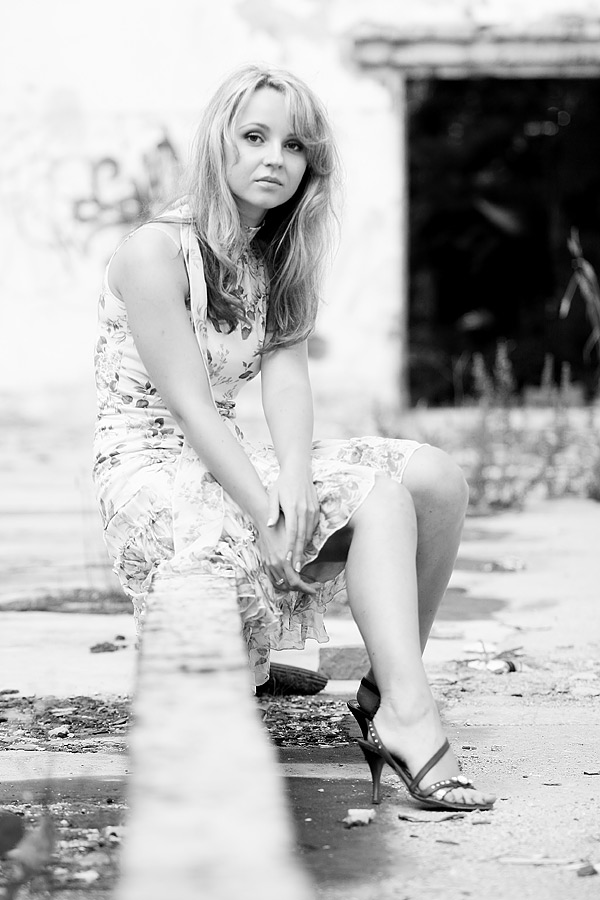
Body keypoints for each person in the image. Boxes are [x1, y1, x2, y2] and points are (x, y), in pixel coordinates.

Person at [93, 64, 495, 812]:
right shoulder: (156, 252)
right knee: (377, 501)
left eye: (294, 145)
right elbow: (190, 407)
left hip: (222, 450)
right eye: (254, 137)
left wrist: (297, 478)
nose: (274, 158)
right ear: (219, 143)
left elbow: (286, 383)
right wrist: (270, 509)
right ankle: (411, 718)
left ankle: (388, 690)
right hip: (149, 467)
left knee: (434, 479)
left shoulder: (275, 251)